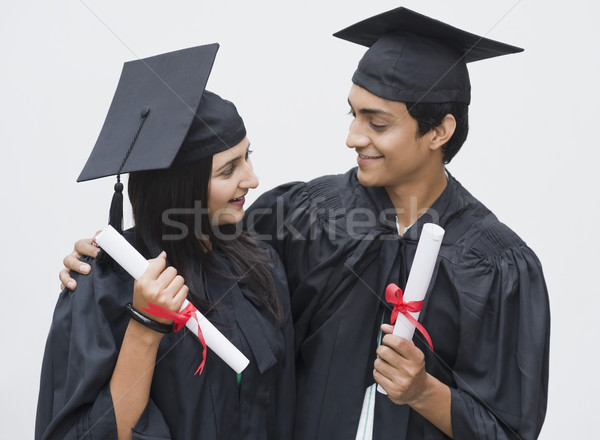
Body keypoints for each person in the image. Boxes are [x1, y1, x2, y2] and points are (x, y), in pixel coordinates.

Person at [59, 7, 550, 440]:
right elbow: (202, 246)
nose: (353, 137)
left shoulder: (498, 267)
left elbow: (508, 428)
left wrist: (423, 392)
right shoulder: (300, 215)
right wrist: (108, 261)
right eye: (352, 113)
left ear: (439, 131)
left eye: (377, 123)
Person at [37, 44, 295, 440]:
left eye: (248, 156)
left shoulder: (260, 260)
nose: (253, 179)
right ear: (180, 189)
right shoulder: (103, 285)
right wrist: (145, 324)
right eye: (228, 169)